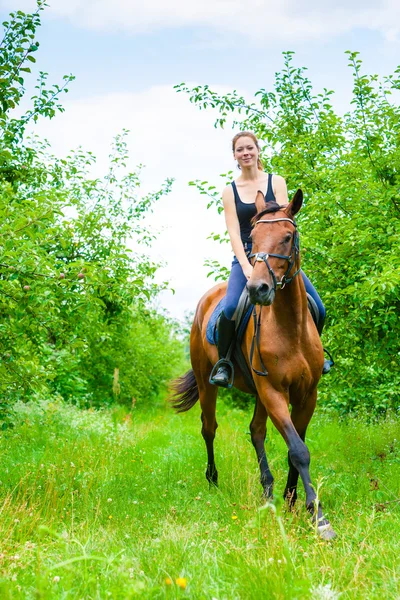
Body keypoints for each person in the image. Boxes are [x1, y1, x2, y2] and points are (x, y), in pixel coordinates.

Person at [211, 131, 333, 387]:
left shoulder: (276, 181)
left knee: (319, 307)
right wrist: (245, 265)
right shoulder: (229, 191)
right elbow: (233, 232)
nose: (245, 153)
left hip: (276, 259)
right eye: (240, 150)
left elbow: (282, 221)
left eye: (249, 148)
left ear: (257, 150)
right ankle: (225, 363)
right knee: (231, 308)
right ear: (234, 156)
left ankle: (316, 356)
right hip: (247, 258)